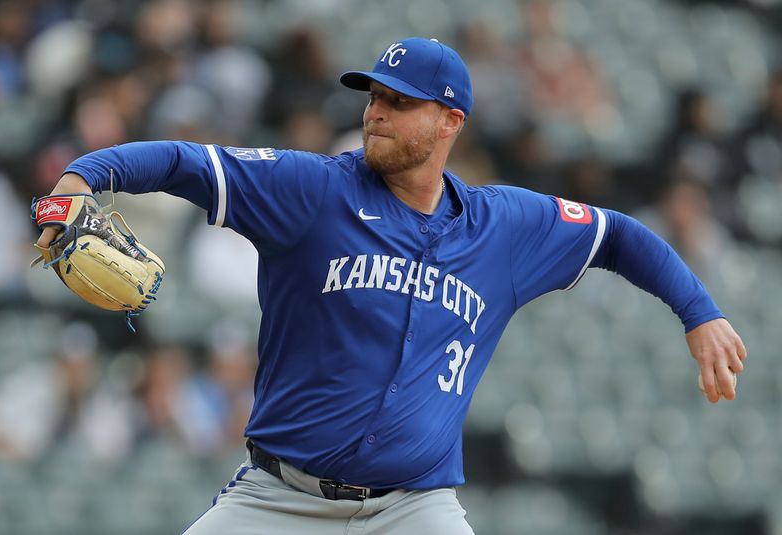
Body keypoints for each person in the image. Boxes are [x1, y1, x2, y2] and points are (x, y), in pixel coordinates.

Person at [36, 37, 747, 535]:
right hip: (280, 501)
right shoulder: (311, 190)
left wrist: (699, 311)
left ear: (449, 121)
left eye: (398, 102)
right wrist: (82, 177)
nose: (375, 111)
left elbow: (617, 234)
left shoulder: (504, 227)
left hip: (415, 510)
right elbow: (184, 161)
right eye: (374, 95)